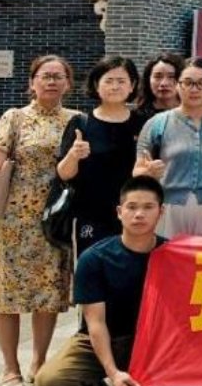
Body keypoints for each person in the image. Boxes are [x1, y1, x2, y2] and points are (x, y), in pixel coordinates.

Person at [33, 175, 197, 386]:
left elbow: (184, 317)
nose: (139, 214)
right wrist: (112, 373)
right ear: (120, 212)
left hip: (156, 341)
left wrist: (168, 367)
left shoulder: (175, 256)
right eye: (132, 207)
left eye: (148, 207)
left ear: (161, 212)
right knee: (47, 383)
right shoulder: (94, 259)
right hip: (104, 338)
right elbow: (95, 323)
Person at [0, 54, 79, 386]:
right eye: (45, 75)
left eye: (58, 76)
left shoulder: (76, 120)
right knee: (7, 294)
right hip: (15, 220)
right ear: (32, 82)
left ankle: (39, 361)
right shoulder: (15, 117)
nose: (51, 81)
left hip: (55, 218)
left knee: (48, 293)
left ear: (68, 83)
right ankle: (10, 367)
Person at [135, 57, 202, 238]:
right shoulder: (157, 123)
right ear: (177, 85)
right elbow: (137, 171)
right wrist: (148, 172)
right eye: (188, 83)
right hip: (168, 209)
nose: (194, 89)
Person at [55, 56, 142, 257]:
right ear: (96, 84)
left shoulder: (142, 123)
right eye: (108, 80)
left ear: (132, 85)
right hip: (90, 216)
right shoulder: (81, 123)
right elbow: (63, 174)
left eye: (121, 81)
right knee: (92, 269)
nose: (115, 86)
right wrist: (74, 155)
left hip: (133, 215)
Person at [135, 52, 183, 124]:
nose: (164, 83)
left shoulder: (193, 114)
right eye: (158, 76)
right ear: (148, 79)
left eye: (171, 77)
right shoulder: (137, 118)